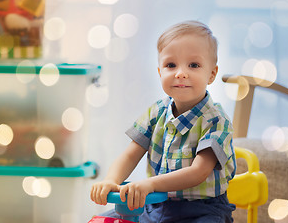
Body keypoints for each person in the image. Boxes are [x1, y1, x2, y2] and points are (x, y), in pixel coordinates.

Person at [90, 20, 236, 223]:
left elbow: (198, 172)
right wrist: (111, 180)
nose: (180, 73)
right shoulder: (157, 112)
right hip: (156, 203)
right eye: (171, 65)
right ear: (160, 72)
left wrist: (150, 184)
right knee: (103, 220)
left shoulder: (215, 121)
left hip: (202, 210)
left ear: (211, 74)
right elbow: (131, 155)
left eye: (193, 65)